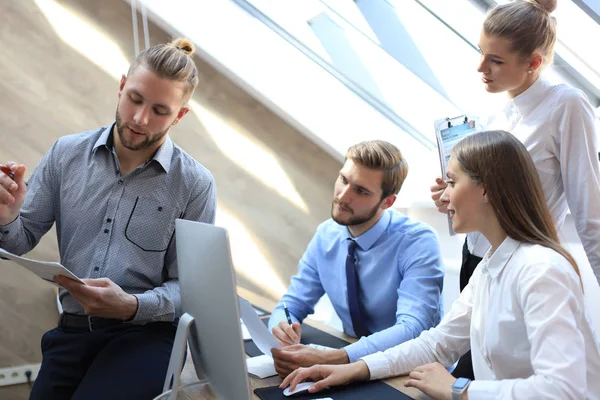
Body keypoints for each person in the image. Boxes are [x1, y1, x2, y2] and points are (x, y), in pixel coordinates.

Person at [281, 130, 600, 400]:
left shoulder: (540, 269)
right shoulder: (493, 263)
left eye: (451, 181)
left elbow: (564, 389)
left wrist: (460, 389)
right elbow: (439, 343)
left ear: (486, 190)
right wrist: (353, 369)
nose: (442, 196)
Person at [0, 38, 217, 399]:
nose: (139, 118)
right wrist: (7, 217)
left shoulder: (195, 185)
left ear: (180, 115)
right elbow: (18, 241)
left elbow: (191, 290)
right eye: (134, 98)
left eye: (160, 110)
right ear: (120, 87)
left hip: (145, 338)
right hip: (71, 331)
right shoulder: (66, 154)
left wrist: (133, 306)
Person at [430, 0, 600, 380]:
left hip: (524, 268)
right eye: (480, 53)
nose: (480, 68)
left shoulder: (567, 107)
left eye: (495, 60)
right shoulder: (494, 113)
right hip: (478, 263)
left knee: (503, 378)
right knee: (470, 370)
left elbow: (590, 212)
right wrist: (451, 195)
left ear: (534, 63)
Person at [268, 140, 444, 377]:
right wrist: (282, 327)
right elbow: (292, 304)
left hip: (411, 373)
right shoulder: (326, 235)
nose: (343, 196)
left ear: (387, 202)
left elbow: (412, 328)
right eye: (343, 180)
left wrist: (340, 357)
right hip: (350, 363)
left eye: (360, 191)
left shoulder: (417, 242)